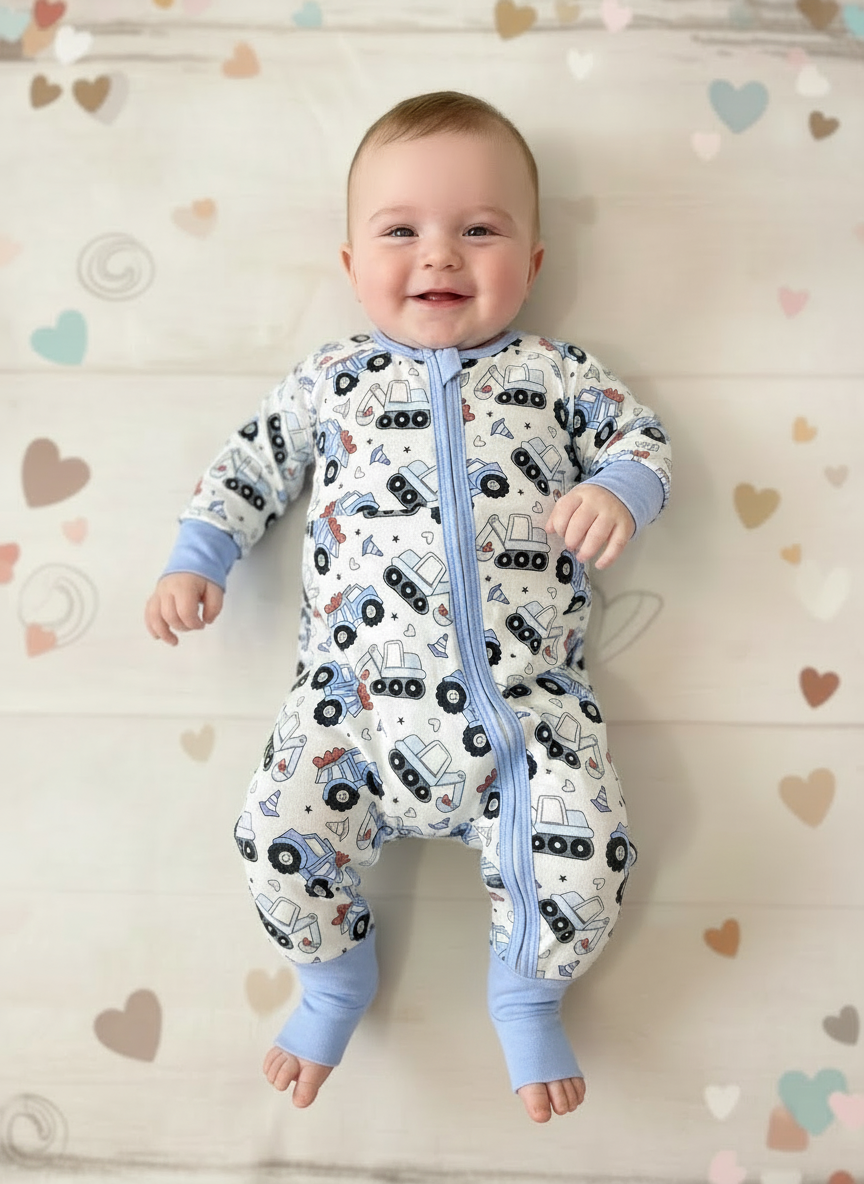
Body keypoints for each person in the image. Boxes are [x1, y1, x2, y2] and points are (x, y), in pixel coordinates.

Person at [145, 91, 671, 1123]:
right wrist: (199, 555)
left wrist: (619, 488)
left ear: (533, 260)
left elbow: (640, 438)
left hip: (525, 711)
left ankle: (527, 993)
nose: (440, 255)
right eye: (401, 232)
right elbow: (251, 464)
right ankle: (332, 980)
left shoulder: (553, 372)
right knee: (271, 833)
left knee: (586, 853)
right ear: (351, 264)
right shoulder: (331, 378)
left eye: (479, 230)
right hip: (349, 707)